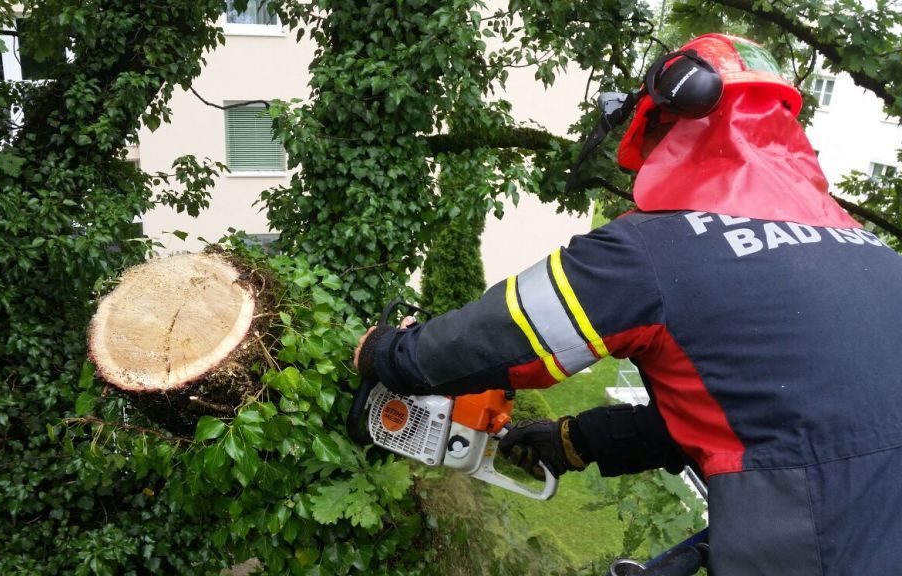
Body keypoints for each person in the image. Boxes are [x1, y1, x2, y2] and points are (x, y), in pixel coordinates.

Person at [353, 33, 902, 575]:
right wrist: (577, 441)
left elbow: (510, 333)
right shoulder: (875, 253)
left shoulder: (655, 250)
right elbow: (772, 420)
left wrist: (389, 354)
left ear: (669, 127)